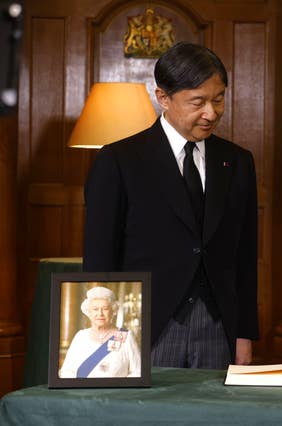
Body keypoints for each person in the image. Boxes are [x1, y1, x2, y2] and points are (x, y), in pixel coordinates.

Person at [83, 42, 258, 369]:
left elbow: (245, 259)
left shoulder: (237, 162)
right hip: (142, 331)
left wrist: (244, 336)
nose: (211, 112)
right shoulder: (118, 161)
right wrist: (104, 338)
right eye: (198, 102)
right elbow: (99, 260)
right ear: (163, 98)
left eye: (218, 99)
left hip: (217, 331)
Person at [59, 287, 140, 378]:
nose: (100, 313)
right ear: (89, 312)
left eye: (105, 309)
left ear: (113, 311)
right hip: (84, 391)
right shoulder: (80, 336)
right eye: (95, 309)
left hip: (116, 391)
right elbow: (67, 371)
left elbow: (137, 372)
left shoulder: (126, 336)